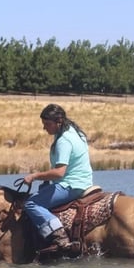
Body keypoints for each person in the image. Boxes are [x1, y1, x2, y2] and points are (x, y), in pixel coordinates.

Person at [23, 103, 93, 253]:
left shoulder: (63, 141)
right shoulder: (74, 132)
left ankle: (59, 236)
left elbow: (59, 172)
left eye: (47, 124)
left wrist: (35, 176)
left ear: (59, 121)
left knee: (31, 203)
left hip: (71, 185)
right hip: (83, 181)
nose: (44, 127)